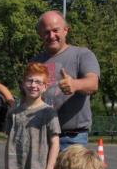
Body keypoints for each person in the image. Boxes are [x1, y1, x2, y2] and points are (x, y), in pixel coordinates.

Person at [31, 11, 100, 151]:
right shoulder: (35, 62)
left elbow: (93, 83)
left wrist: (75, 84)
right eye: (46, 32)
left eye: (55, 30)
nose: (51, 36)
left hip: (72, 139)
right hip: (41, 137)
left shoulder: (82, 55)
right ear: (40, 35)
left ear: (66, 30)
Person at [3, 62, 61, 169]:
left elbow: (55, 143)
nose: (33, 85)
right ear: (23, 84)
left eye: (38, 82)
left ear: (45, 86)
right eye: (29, 81)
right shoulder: (14, 113)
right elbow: (9, 143)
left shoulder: (48, 113)